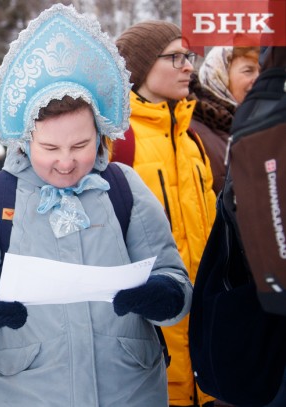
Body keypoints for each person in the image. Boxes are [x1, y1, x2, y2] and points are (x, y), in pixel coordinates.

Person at [0, 4, 193, 406]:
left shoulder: (122, 186)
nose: (65, 161)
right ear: (25, 141)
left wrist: (161, 296)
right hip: (26, 392)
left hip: (127, 389)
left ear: (98, 135)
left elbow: (174, 282)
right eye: (49, 148)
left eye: (80, 145)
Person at [115, 21, 217, 407]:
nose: (188, 66)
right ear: (140, 68)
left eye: (188, 57)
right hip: (146, 352)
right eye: (175, 57)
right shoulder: (115, 143)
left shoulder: (193, 140)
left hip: (207, 350)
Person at [189, 46, 260, 193]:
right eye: (248, 71)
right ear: (219, 74)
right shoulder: (191, 130)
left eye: (262, 71)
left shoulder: (262, 125)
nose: (259, 79)